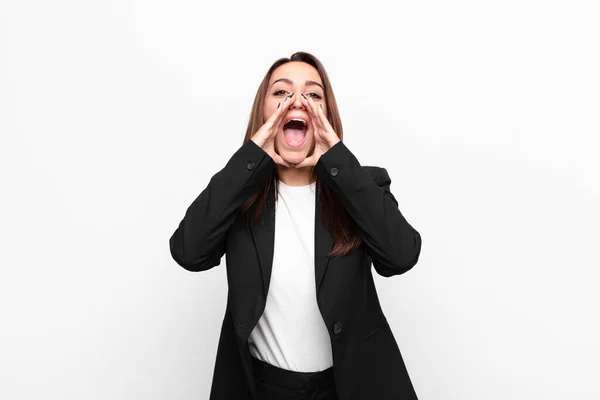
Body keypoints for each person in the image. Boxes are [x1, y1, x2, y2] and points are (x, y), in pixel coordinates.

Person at [169, 51, 423, 400]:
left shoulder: (363, 185)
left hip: (349, 386)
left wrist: (337, 159)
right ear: (263, 112)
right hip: (265, 388)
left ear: (327, 115)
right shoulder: (238, 195)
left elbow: (401, 256)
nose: (297, 101)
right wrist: (252, 157)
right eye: (282, 93)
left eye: (313, 94)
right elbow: (188, 251)